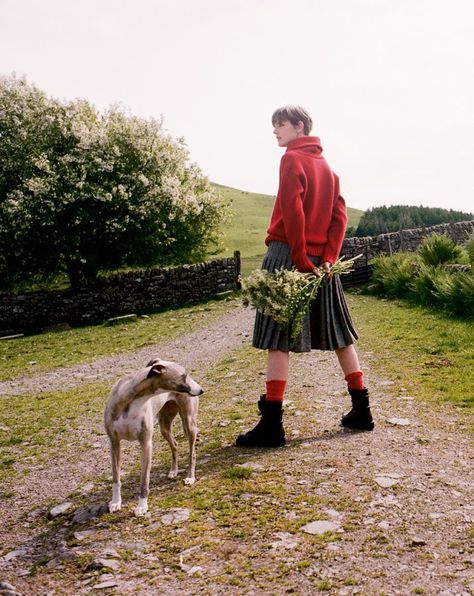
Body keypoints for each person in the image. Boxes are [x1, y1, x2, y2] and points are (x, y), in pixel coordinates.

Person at [236, 105, 374, 448]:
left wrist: (298, 256)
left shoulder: (291, 160)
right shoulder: (328, 168)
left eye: (280, 125)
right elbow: (339, 217)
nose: (275, 131)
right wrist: (327, 258)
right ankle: (362, 410)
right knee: (340, 334)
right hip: (323, 264)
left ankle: (272, 426)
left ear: (299, 126)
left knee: (277, 337)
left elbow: (292, 209)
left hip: (288, 254)